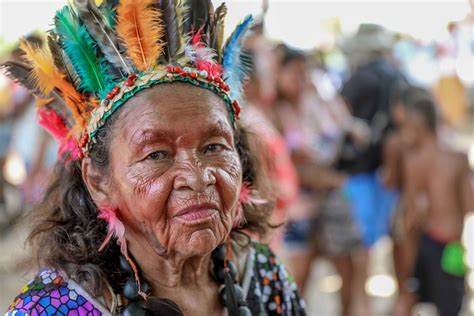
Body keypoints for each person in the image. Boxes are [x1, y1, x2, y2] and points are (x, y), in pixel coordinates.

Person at [3, 1, 306, 315]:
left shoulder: (261, 273)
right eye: (156, 154)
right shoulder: (53, 308)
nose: (197, 176)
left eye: (214, 147)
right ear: (98, 181)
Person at [398, 88, 473, 316]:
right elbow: (470, 205)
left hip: (424, 241)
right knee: (451, 307)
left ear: (417, 129)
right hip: (450, 245)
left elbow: (410, 215)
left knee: (411, 297)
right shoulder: (457, 158)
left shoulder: (414, 161)